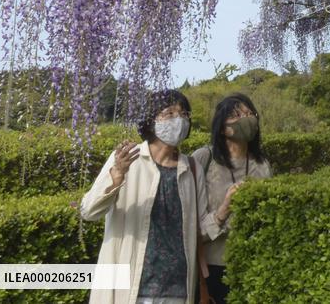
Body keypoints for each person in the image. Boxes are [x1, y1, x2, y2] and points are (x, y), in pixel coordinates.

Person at [81, 89, 207, 304]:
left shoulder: (192, 169)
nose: (179, 119)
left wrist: (224, 211)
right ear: (150, 121)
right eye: (169, 113)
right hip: (132, 288)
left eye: (184, 114)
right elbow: (88, 211)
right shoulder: (127, 159)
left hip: (178, 290)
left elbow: (201, 228)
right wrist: (117, 177)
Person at [192, 94, 272, 304]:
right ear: (221, 128)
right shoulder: (203, 159)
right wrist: (223, 211)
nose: (245, 119)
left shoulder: (262, 164)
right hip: (212, 266)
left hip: (252, 263)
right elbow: (187, 224)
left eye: (249, 113)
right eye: (236, 115)